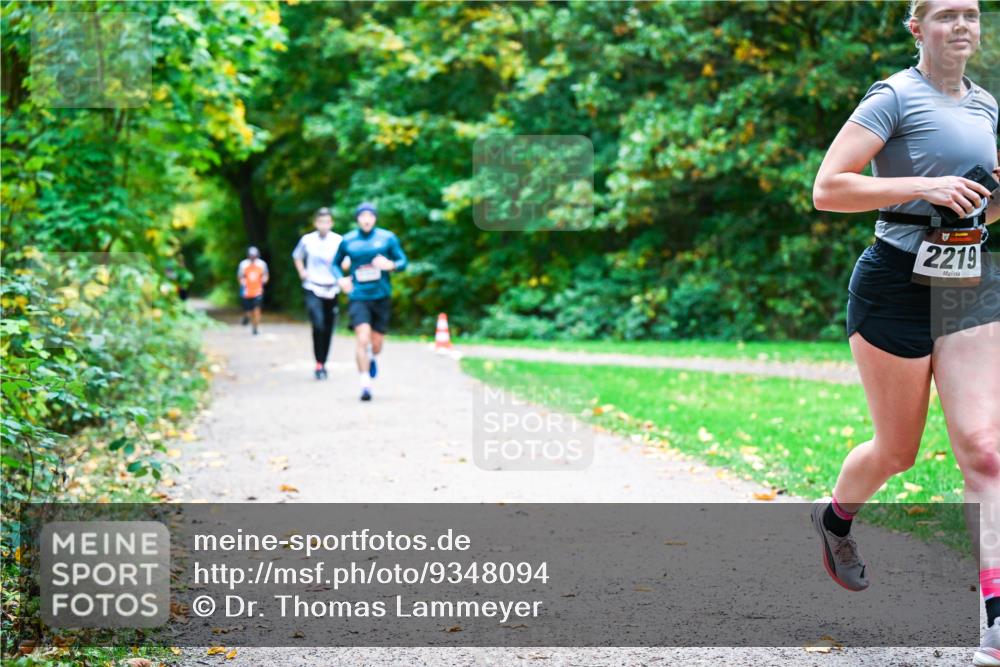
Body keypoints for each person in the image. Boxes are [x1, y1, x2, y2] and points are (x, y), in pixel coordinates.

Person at [812, 1, 999, 663]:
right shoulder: (893, 95)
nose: (961, 25)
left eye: (971, 14)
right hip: (893, 283)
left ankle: (996, 617)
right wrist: (925, 184)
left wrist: (989, 195)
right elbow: (828, 188)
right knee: (898, 451)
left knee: (985, 448)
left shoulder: (986, 106)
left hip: (969, 280)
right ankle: (834, 517)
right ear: (917, 28)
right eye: (945, 14)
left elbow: (983, 203)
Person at [332, 202, 407, 401]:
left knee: (376, 345)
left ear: (375, 218)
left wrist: (390, 265)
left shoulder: (387, 238)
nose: (366, 219)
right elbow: (334, 264)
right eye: (362, 216)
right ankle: (365, 385)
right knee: (362, 339)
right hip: (358, 296)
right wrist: (340, 279)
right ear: (357, 219)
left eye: (370, 216)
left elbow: (403, 262)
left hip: (381, 296)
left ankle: (372, 357)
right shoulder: (348, 240)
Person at [292, 208, 344, 380]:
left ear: (332, 223)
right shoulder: (307, 240)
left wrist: (344, 268)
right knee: (318, 324)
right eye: (321, 222)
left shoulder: (338, 240)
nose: (324, 225)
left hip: (332, 287)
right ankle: (318, 362)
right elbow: (297, 256)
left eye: (327, 222)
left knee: (328, 327)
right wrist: (302, 272)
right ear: (316, 223)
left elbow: (347, 259)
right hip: (312, 287)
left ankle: (323, 362)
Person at [237, 246, 268, 335]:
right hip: (247, 291)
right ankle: (247, 318)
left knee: (257, 310)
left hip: (258, 291)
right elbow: (240, 276)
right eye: (251, 255)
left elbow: (265, 275)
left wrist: (264, 280)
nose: (253, 257)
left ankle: (255, 328)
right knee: (249, 311)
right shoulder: (243, 264)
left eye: (254, 255)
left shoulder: (262, 264)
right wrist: (242, 283)